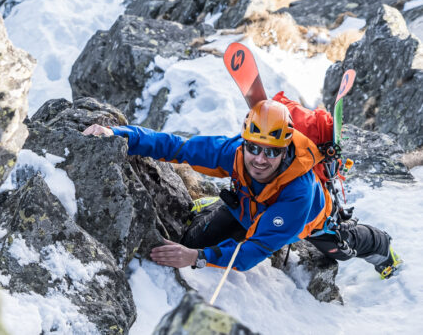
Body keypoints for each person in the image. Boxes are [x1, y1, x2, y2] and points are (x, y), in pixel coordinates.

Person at [83, 99, 402, 279]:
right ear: (245, 142)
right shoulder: (231, 152)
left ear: (285, 149)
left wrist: (195, 258)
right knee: (194, 239)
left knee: (340, 249)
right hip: (245, 208)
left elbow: (254, 251)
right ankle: (210, 204)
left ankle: (382, 247)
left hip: (308, 221)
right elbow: (175, 146)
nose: (261, 159)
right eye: (255, 148)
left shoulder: (298, 194)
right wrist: (118, 133)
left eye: (272, 151)